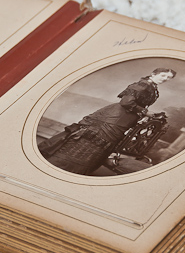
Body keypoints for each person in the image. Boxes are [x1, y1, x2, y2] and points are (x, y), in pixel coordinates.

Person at [38, 67, 176, 175]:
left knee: (100, 145)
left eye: (168, 78)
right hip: (114, 118)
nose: (165, 79)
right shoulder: (143, 85)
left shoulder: (152, 87)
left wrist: (145, 114)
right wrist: (146, 112)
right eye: (163, 75)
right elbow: (126, 102)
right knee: (92, 141)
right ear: (153, 74)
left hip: (124, 119)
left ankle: (74, 171)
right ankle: (60, 166)